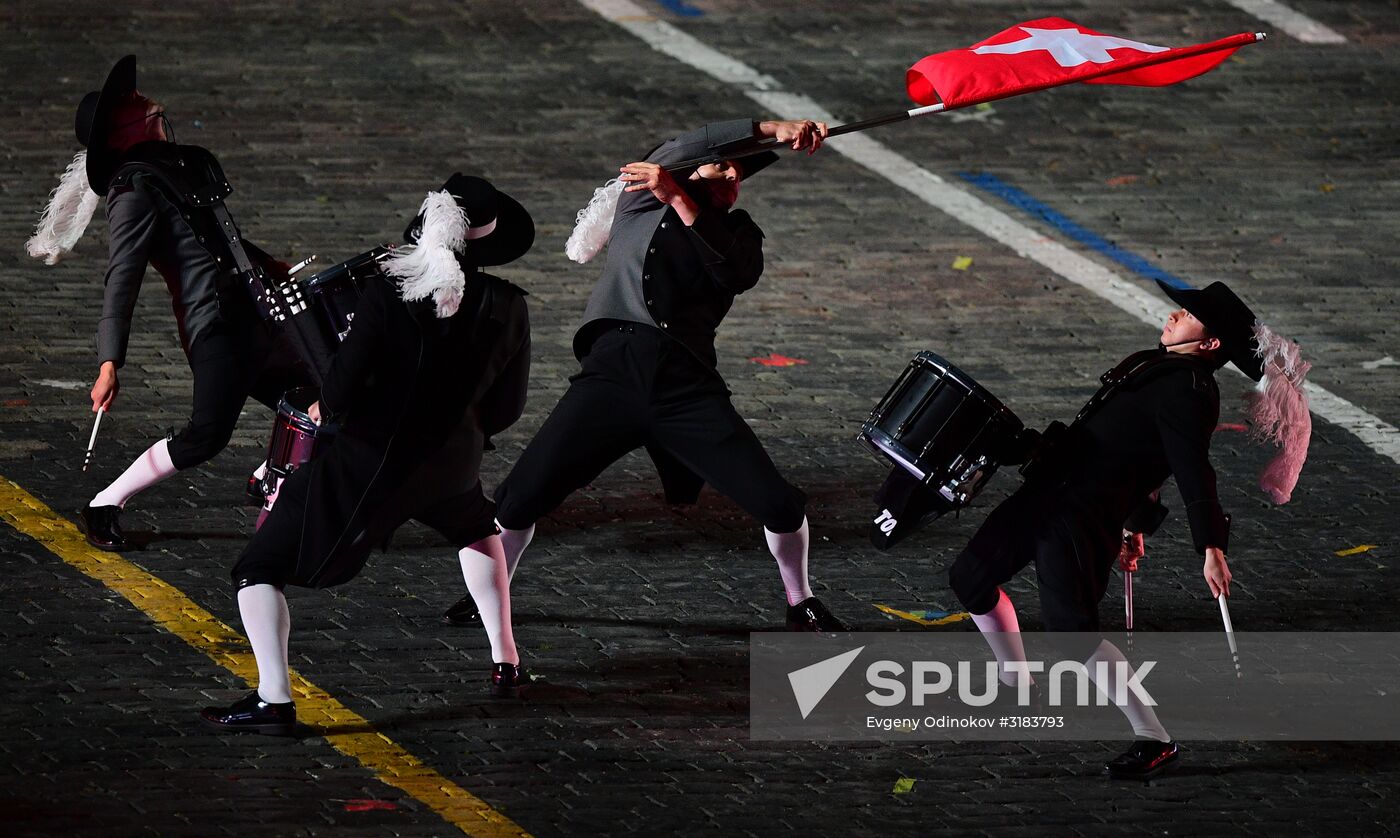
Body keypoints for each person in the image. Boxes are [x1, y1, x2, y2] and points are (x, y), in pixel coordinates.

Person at [441, 118, 847, 633]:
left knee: (778, 503)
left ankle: (800, 600)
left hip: (686, 386)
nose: (734, 179)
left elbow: (734, 272)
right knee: (520, 497)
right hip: (613, 374)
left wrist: (682, 198)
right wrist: (771, 126)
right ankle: (488, 597)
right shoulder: (638, 205)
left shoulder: (739, 232)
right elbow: (683, 145)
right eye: (722, 167)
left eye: (738, 174)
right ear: (688, 171)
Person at [200, 175, 534, 735]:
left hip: (370, 464)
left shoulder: (386, 292)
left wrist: (327, 405)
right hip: (455, 464)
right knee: (477, 527)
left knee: (258, 567)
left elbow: (341, 389)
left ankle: (273, 700)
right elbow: (509, 407)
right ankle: (507, 661)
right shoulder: (509, 305)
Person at [946, 280, 1310, 780]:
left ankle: (1155, 739)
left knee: (1073, 637)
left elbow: (1190, 468)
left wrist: (1210, 546)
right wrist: (1136, 521)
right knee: (970, 577)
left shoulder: (1189, 389)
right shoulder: (1162, 366)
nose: (1174, 315)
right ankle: (1016, 681)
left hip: (1077, 516)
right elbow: (1136, 452)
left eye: (1188, 315)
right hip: (1047, 494)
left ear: (1209, 345)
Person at [26, 55, 310, 551]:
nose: (149, 102)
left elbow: (223, 240)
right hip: (216, 326)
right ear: (121, 133)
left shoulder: (178, 169)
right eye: (134, 104)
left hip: (255, 311)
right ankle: (105, 503)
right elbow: (123, 276)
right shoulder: (133, 190)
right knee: (206, 435)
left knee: (316, 394)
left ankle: (270, 476)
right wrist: (108, 362)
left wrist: (272, 266)